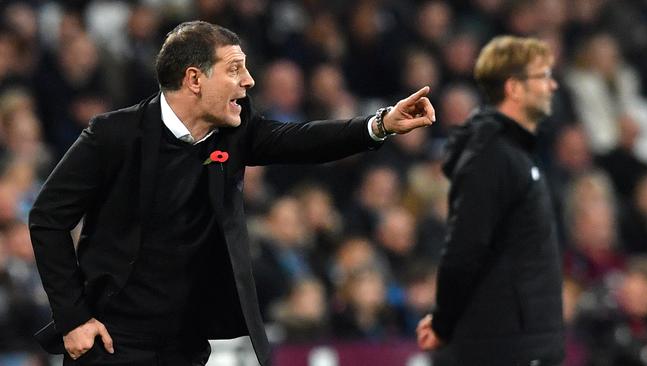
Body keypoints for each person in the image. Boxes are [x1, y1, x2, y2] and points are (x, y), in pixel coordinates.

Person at [28, 21, 434, 366]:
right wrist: (73, 317)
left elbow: (303, 139)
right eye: (235, 69)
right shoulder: (112, 136)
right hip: (112, 343)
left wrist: (380, 124)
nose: (249, 80)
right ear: (194, 79)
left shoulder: (236, 132)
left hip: (185, 345)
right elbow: (48, 217)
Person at [415, 35, 564, 365]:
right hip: (506, 344)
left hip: (522, 339)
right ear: (514, 88)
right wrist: (444, 321)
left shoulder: (514, 153)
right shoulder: (493, 157)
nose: (552, 86)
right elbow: (465, 248)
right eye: (542, 77)